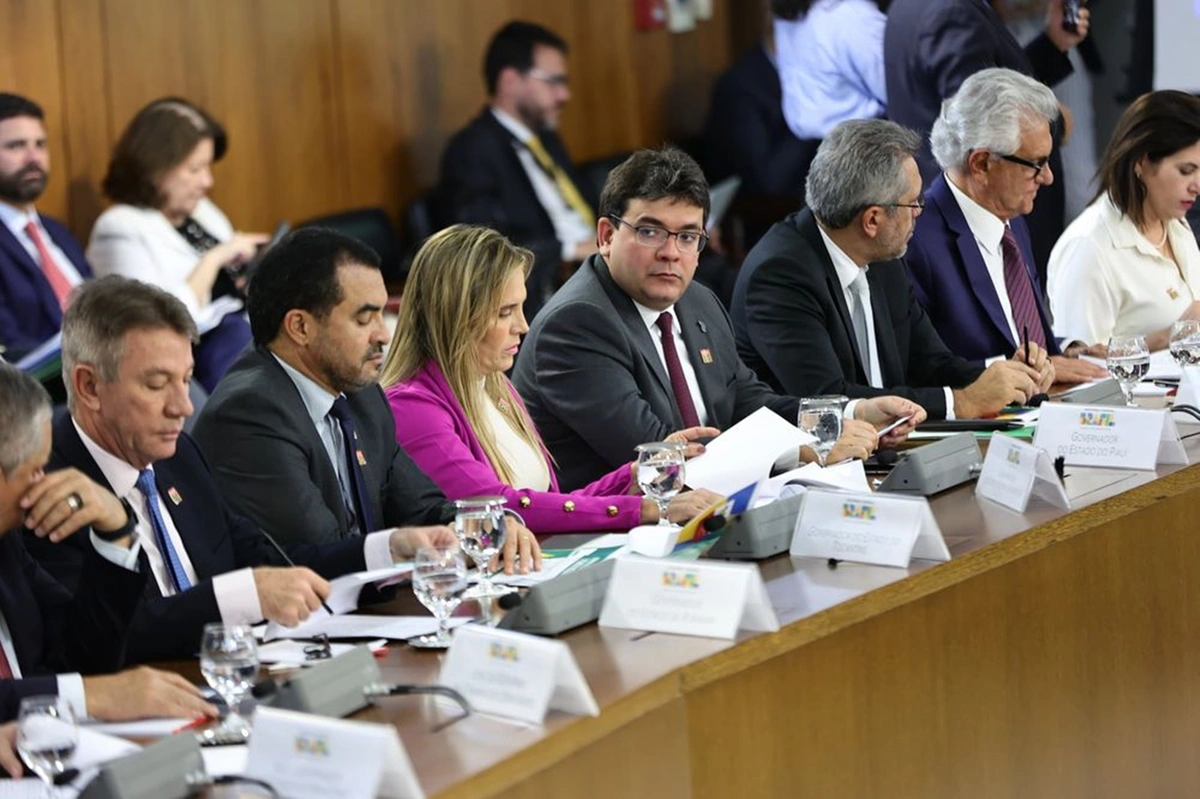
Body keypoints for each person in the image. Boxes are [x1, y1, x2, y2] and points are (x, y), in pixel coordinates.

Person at [26, 276, 462, 662]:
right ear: (89, 386)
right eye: (156, 385)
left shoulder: (180, 458)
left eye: (186, 379)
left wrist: (387, 550)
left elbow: (275, 561)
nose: (182, 406)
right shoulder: (44, 484)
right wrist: (243, 595)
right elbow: (99, 637)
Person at [512, 147, 924, 491]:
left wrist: (849, 415)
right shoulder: (577, 325)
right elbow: (663, 455)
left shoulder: (697, 300)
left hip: (709, 506)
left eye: (688, 236)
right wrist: (806, 448)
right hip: (618, 533)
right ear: (606, 236)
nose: (671, 253)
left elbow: (746, 401)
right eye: (650, 232)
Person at [192, 229, 542, 568]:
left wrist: (492, 524)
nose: (384, 334)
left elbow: (424, 507)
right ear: (300, 327)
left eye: (381, 314)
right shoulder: (251, 413)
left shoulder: (361, 392)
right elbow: (321, 552)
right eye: (365, 319)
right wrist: (396, 547)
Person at [381, 224, 723, 534]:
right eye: (504, 312)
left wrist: (634, 476)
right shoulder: (411, 405)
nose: (523, 326)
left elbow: (554, 505)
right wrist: (642, 509)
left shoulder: (495, 385)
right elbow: (499, 508)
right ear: (455, 317)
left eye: (521, 307)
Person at [732, 119, 1050, 421]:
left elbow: (930, 363)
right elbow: (828, 399)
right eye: (913, 203)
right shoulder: (779, 275)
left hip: (893, 450)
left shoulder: (884, 258)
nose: (919, 214)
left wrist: (1009, 378)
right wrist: (964, 402)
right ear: (872, 220)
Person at [0, 360, 215, 721]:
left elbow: (81, 653)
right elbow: (90, 686)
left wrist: (115, 532)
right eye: (35, 470)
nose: (46, 484)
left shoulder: (8, 548)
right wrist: (86, 696)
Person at [905, 68, 1107, 384]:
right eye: (1037, 164)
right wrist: (1019, 370)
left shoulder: (1012, 217)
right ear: (982, 164)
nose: (1048, 177)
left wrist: (1068, 351)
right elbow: (915, 371)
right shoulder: (915, 239)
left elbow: (1022, 335)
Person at [884, 0, 1090, 276]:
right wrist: (1058, 124)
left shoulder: (913, 5)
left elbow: (994, 85)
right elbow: (982, 118)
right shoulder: (953, 14)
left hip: (967, 218)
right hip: (978, 226)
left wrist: (1052, 45)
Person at [86, 98, 268, 392]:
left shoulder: (201, 210)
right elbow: (154, 326)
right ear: (154, 167)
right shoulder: (118, 228)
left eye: (208, 167)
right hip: (190, 370)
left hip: (248, 343)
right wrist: (214, 259)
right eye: (194, 169)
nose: (207, 181)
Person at [437, 21, 595, 319]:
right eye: (553, 81)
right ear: (510, 81)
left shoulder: (547, 140)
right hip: (547, 288)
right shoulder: (471, 150)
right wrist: (570, 249)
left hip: (592, 268)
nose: (565, 95)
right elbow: (481, 245)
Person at [1048, 91, 1200, 352]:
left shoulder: (1176, 224)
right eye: (1186, 171)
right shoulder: (1089, 246)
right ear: (1141, 161)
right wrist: (1167, 337)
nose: (1197, 186)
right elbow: (1079, 371)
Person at [702, 1, 815, 249]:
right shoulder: (740, 86)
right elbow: (765, 182)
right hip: (768, 231)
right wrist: (812, 111)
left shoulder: (818, 76)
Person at [0, 93, 91, 360]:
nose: (33, 157)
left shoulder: (57, 233)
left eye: (40, 144)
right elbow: (11, 345)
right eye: (16, 146)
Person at [772, 0, 889, 141]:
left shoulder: (788, 14)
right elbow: (898, 92)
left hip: (818, 145)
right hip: (859, 145)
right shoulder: (851, 15)